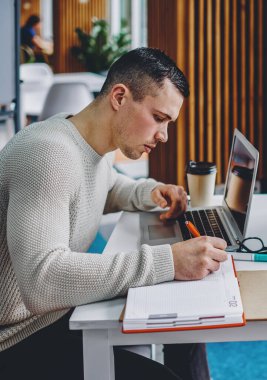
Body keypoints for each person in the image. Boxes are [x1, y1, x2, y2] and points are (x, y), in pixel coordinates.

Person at [0, 47, 227, 379]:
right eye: (159, 119)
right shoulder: (47, 154)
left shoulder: (87, 143)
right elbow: (42, 281)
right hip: (15, 339)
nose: (163, 136)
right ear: (120, 97)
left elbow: (105, 186)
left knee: (185, 330)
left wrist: (150, 192)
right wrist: (169, 261)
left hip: (52, 315)